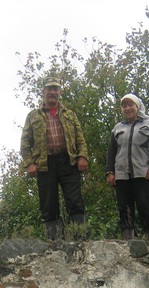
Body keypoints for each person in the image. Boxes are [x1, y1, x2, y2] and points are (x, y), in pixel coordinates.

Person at [20, 76, 89, 240]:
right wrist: (29, 163)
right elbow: (25, 143)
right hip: (45, 164)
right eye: (49, 89)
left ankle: (79, 240)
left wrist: (82, 156)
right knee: (48, 204)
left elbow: (80, 138)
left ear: (60, 92)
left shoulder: (70, 114)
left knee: (75, 201)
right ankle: (54, 242)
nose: (53, 92)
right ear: (43, 92)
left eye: (56, 89)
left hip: (68, 161)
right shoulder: (33, 116)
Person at [105, 94, 149, 248]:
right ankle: (128, 241)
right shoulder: (117, 128)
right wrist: (110, 171)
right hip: (121, 174)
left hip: (142, 172)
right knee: (124, 208)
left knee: (145, 206)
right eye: (124, 106)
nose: (128, 108)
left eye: (130, 105)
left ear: (137, 106)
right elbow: (111, 152)